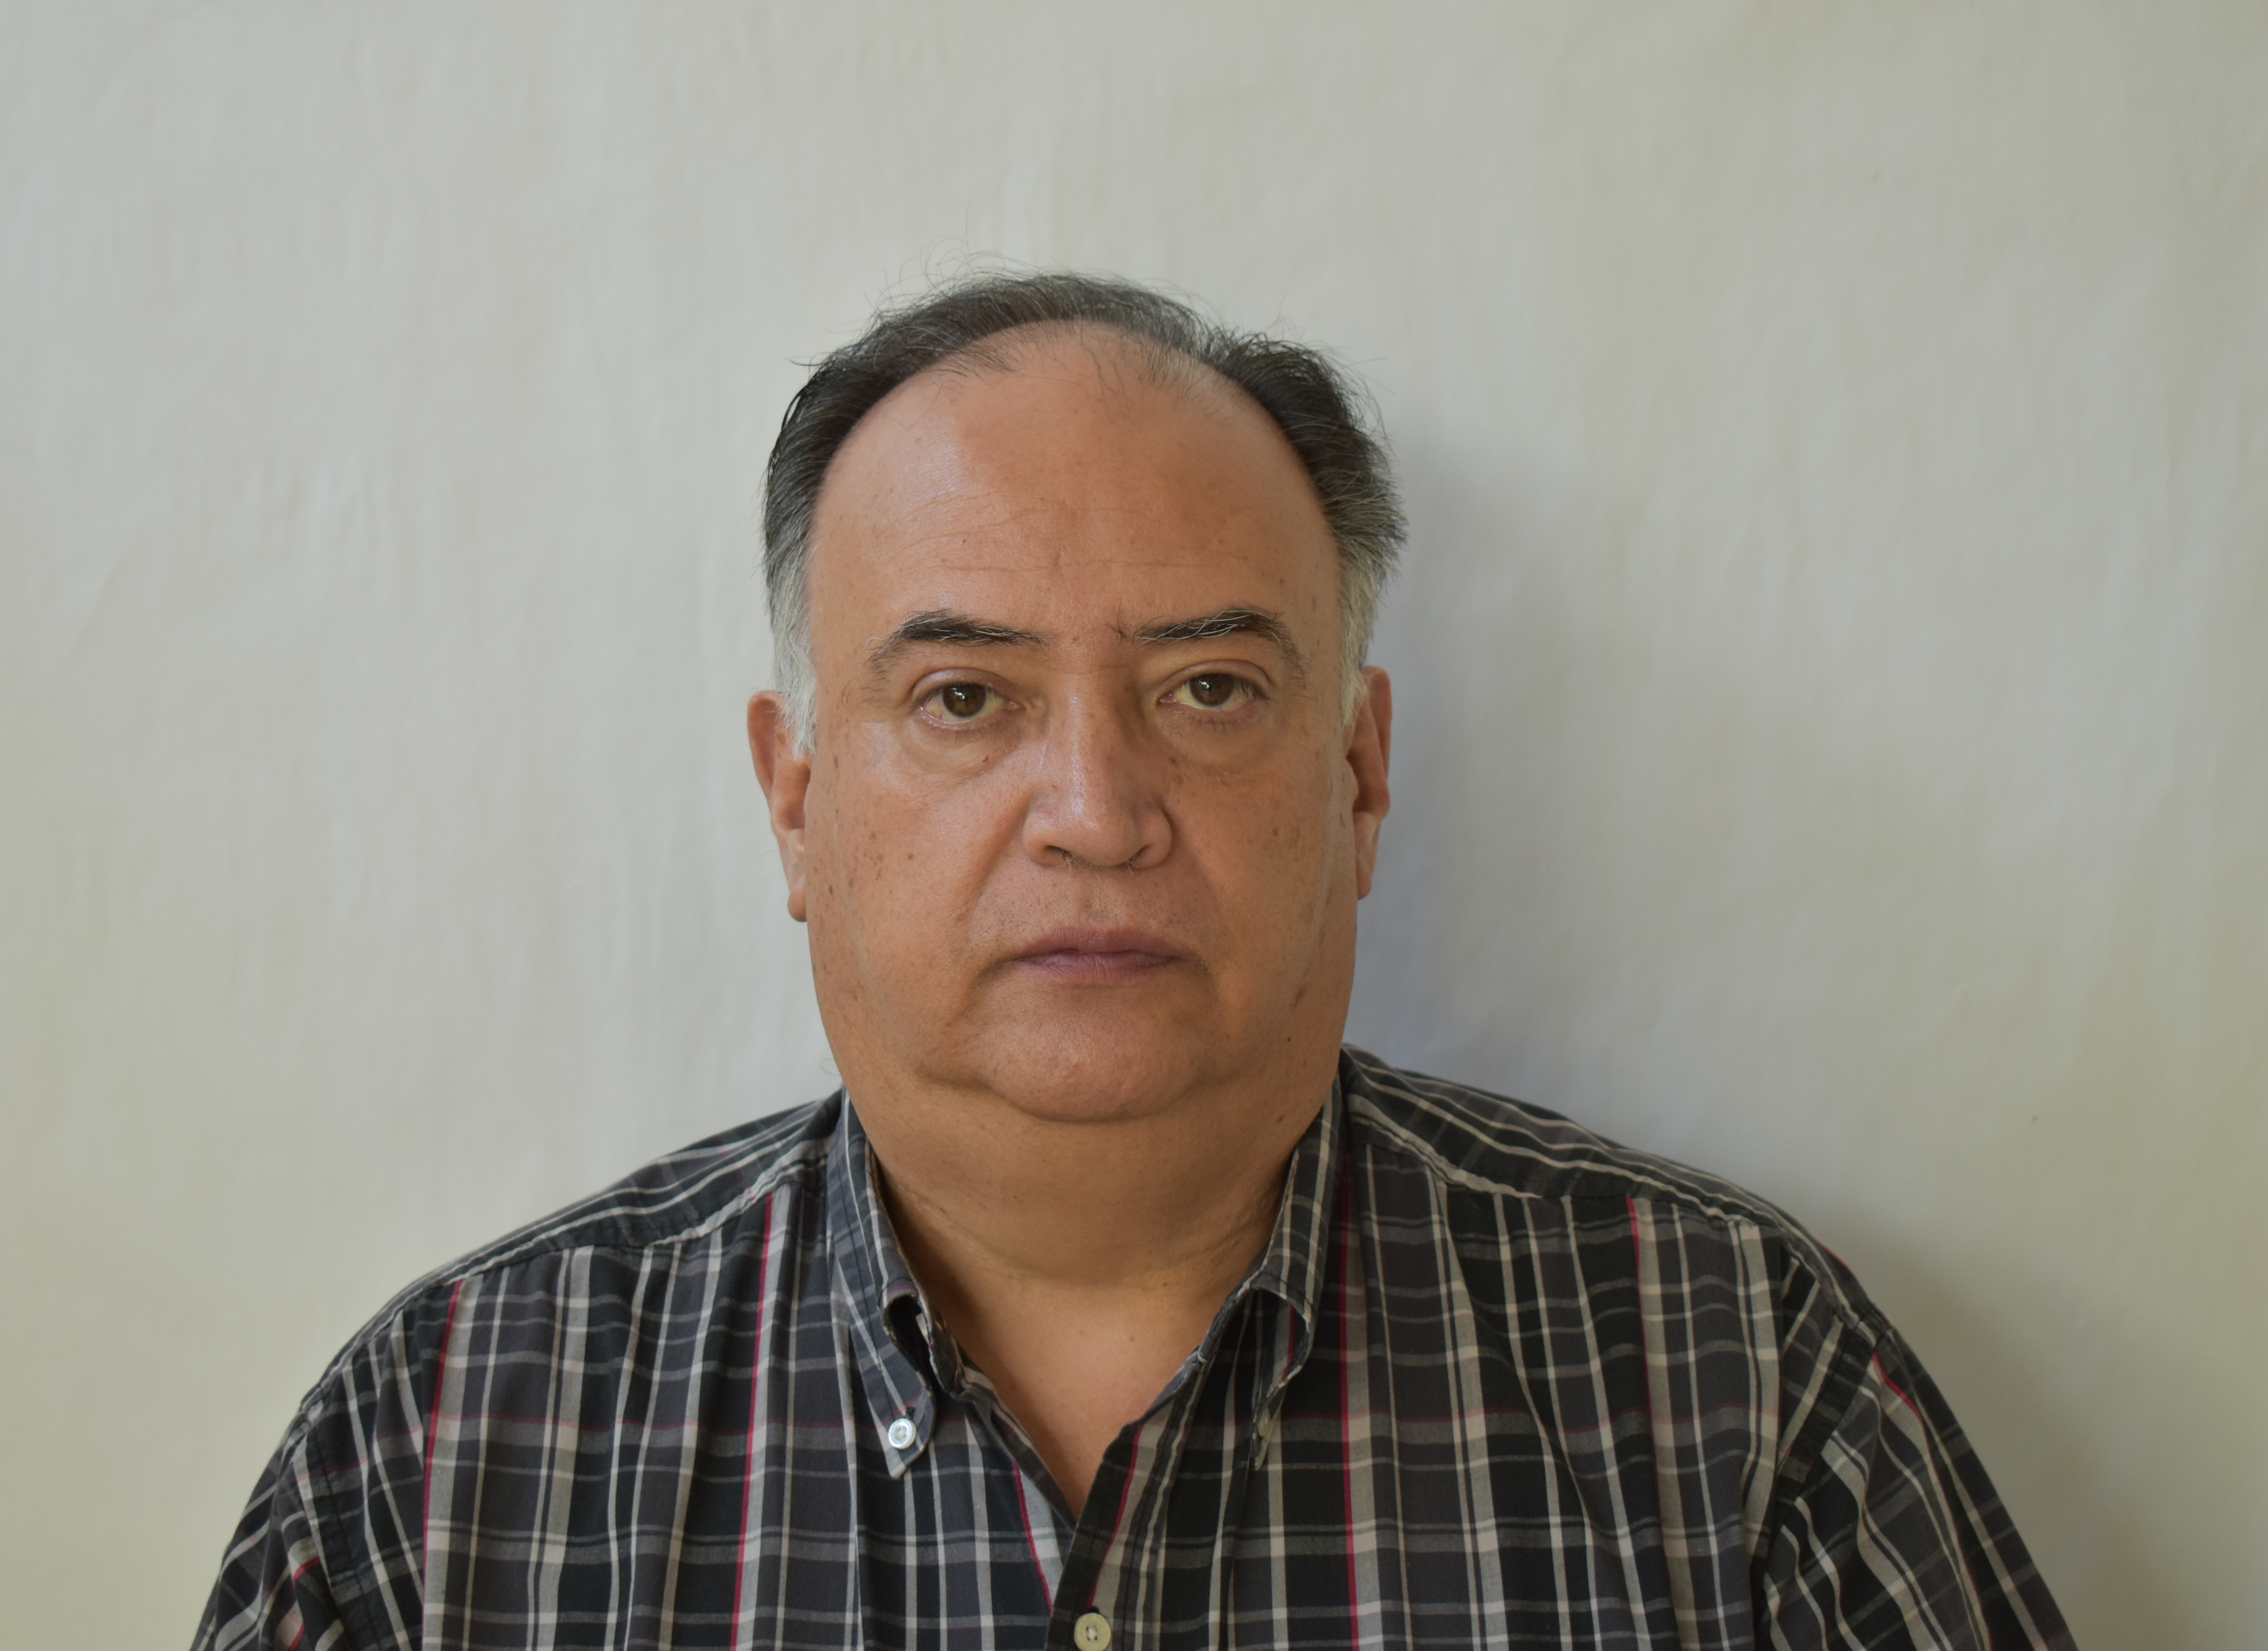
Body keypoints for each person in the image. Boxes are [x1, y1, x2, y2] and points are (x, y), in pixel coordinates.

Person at [194, 273, 2073, 1650]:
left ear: (1359, 775)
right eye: (963, 697)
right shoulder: (448, 1456)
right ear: (796, 799)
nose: (1096, 812)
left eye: (1211, 688)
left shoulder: (1733, 1382)